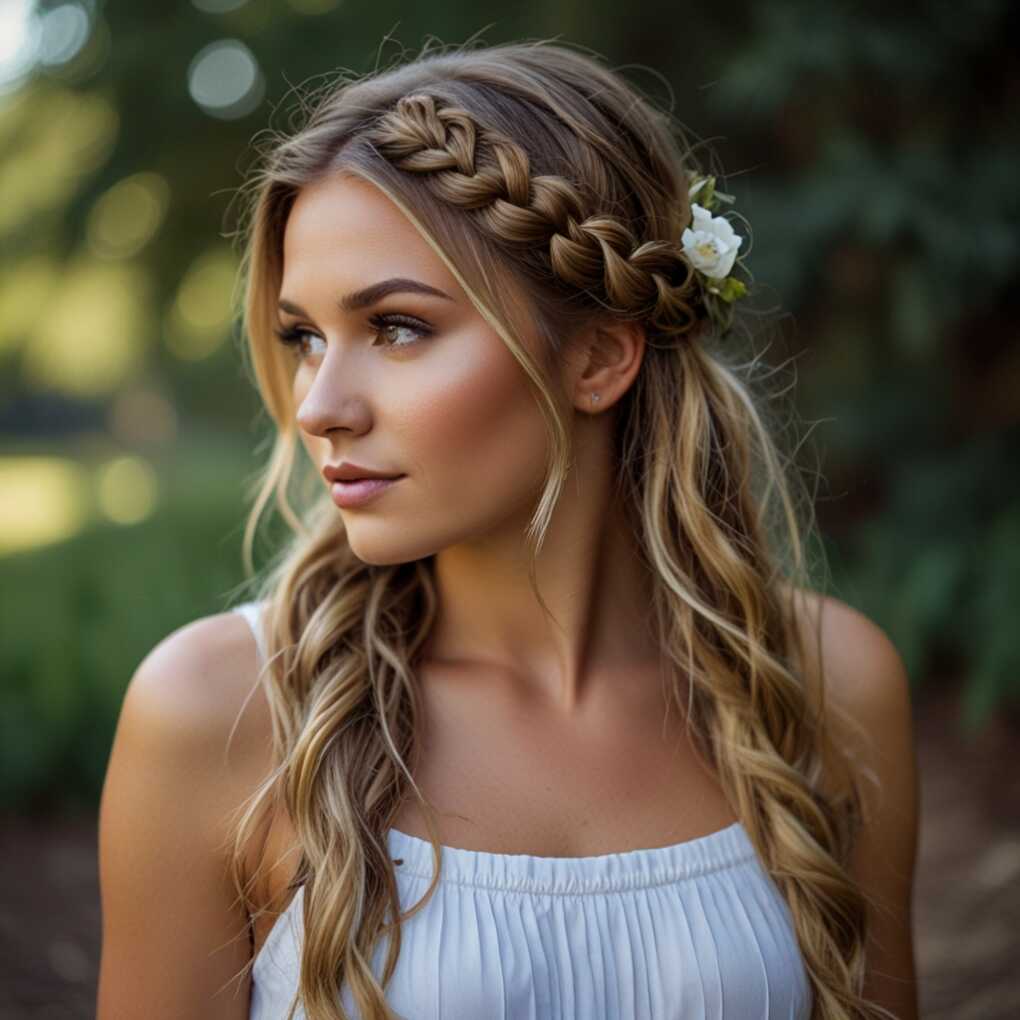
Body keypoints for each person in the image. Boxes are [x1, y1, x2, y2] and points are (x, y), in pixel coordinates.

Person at [95, 38, 919, 1020]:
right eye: (303, 337)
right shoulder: (219, 716)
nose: (319, 405)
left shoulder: (824, 686)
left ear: (602, 358)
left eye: (396, 327)